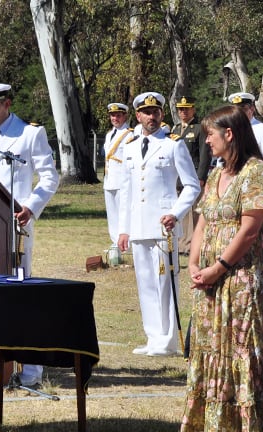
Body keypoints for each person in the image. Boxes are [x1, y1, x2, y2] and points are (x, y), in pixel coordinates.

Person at [181, 104, 263, 432]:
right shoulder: (216, 173)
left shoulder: (254, 171)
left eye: (210, 135)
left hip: (240, 278)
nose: (206, 141)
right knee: (210, 348)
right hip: (209, 281)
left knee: (240, 349)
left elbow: (249, 229)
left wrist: (219, 268)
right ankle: (211, 428)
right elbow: (203, 220)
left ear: (229, 134)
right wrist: (194, 262)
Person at [0, 82, 60, 387]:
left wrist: (31, 207)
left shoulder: (30, 133)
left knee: (20, 292)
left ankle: (31, 370)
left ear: (8, 103)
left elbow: (49, 177)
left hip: (16, 224)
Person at [116, 92, 200, 357]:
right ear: (138, 116)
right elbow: (126, 190)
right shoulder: (129, 145)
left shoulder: (173, 144)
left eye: (156, 112)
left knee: (165, 282)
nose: (152, 117)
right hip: (139, 225)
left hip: (164, 225)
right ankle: (153, 337)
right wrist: (123, 228)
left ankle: (167, 341)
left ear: (162, 114)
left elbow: (191, 185)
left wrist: (175, 213)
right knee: (145, 283)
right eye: (146, 113)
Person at [170, 96, 211, 253]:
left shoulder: (199, 128)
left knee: (193, 213)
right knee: (181, 211)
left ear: (193, 109)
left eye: (186, 109)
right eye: (181, 109)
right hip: (178, 178)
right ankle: (180, 242)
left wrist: (201, 176)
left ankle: (191, 244)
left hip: (193, 177)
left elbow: (204, 155)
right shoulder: (175, 129)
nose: (183, 112)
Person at [102, 102, 132, 247]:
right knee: (112, 215)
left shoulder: (130, 134)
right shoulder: (109, 135)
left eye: (118, 115)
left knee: (123, 213)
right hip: (109, 180)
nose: (115, 118)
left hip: (122, 180)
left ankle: (126, 243)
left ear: (125, 116)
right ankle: (115, 243)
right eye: (112, 115)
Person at [227, 92, 263, 176]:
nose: (239, 112)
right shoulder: (229, 130)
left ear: (252, 109)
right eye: (235, 109)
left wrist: (257, 183)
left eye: (243, 108)